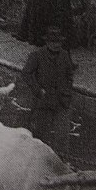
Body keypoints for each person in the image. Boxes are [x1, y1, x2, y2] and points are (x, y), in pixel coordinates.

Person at [21, 26, 76, 155]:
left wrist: (67, 89)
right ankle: (38, 159)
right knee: (40, 135)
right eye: (53, 42)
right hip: (43, 101)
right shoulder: (36, 55)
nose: (56, 45)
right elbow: (26, 74)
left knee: (62, 135)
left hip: (62, 100)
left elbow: (69, 74)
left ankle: (60, 160)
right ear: (47, 43)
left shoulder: (65, 55)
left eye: (59, 43)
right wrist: (38, 90)